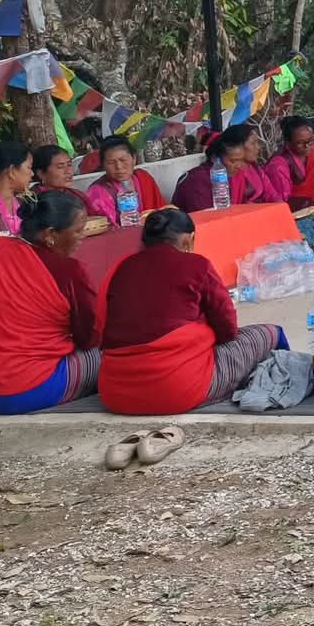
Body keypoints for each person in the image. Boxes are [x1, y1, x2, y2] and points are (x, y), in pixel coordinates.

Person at [98, 209, 286, 415]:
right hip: (177, 390)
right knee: (270, 333)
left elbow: (100, 326)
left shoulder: (121, 266)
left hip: (115, 393)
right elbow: (227, 328)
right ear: (188, 240)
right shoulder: (197, 265)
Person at [0, 191, 101, 413]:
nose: (82, 236)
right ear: (50, 234)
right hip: (22, 390)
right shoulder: (69, 271)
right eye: (78, 231)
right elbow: (89, 336)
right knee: (109, 356)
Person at [172, 126, 277, 211]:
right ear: (214, 158)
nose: (238, 165)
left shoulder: (236, 173)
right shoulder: (198, 180)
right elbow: (206, 218)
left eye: (241, 160)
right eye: (233, 161)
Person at [83, 135, 166, 228]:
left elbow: (163, 212)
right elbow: (105, 229)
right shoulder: (97, 192)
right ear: (103, 165)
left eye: (123, 160)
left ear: (134, 158)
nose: (119, 167)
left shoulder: (143, 178)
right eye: (111, 162)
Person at [265, 115, 314, 208]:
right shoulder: (278, 165)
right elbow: (280, 201)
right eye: (300, 142)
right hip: (292, 210)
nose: (307, 146)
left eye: (311, 140)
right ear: (288, 143)